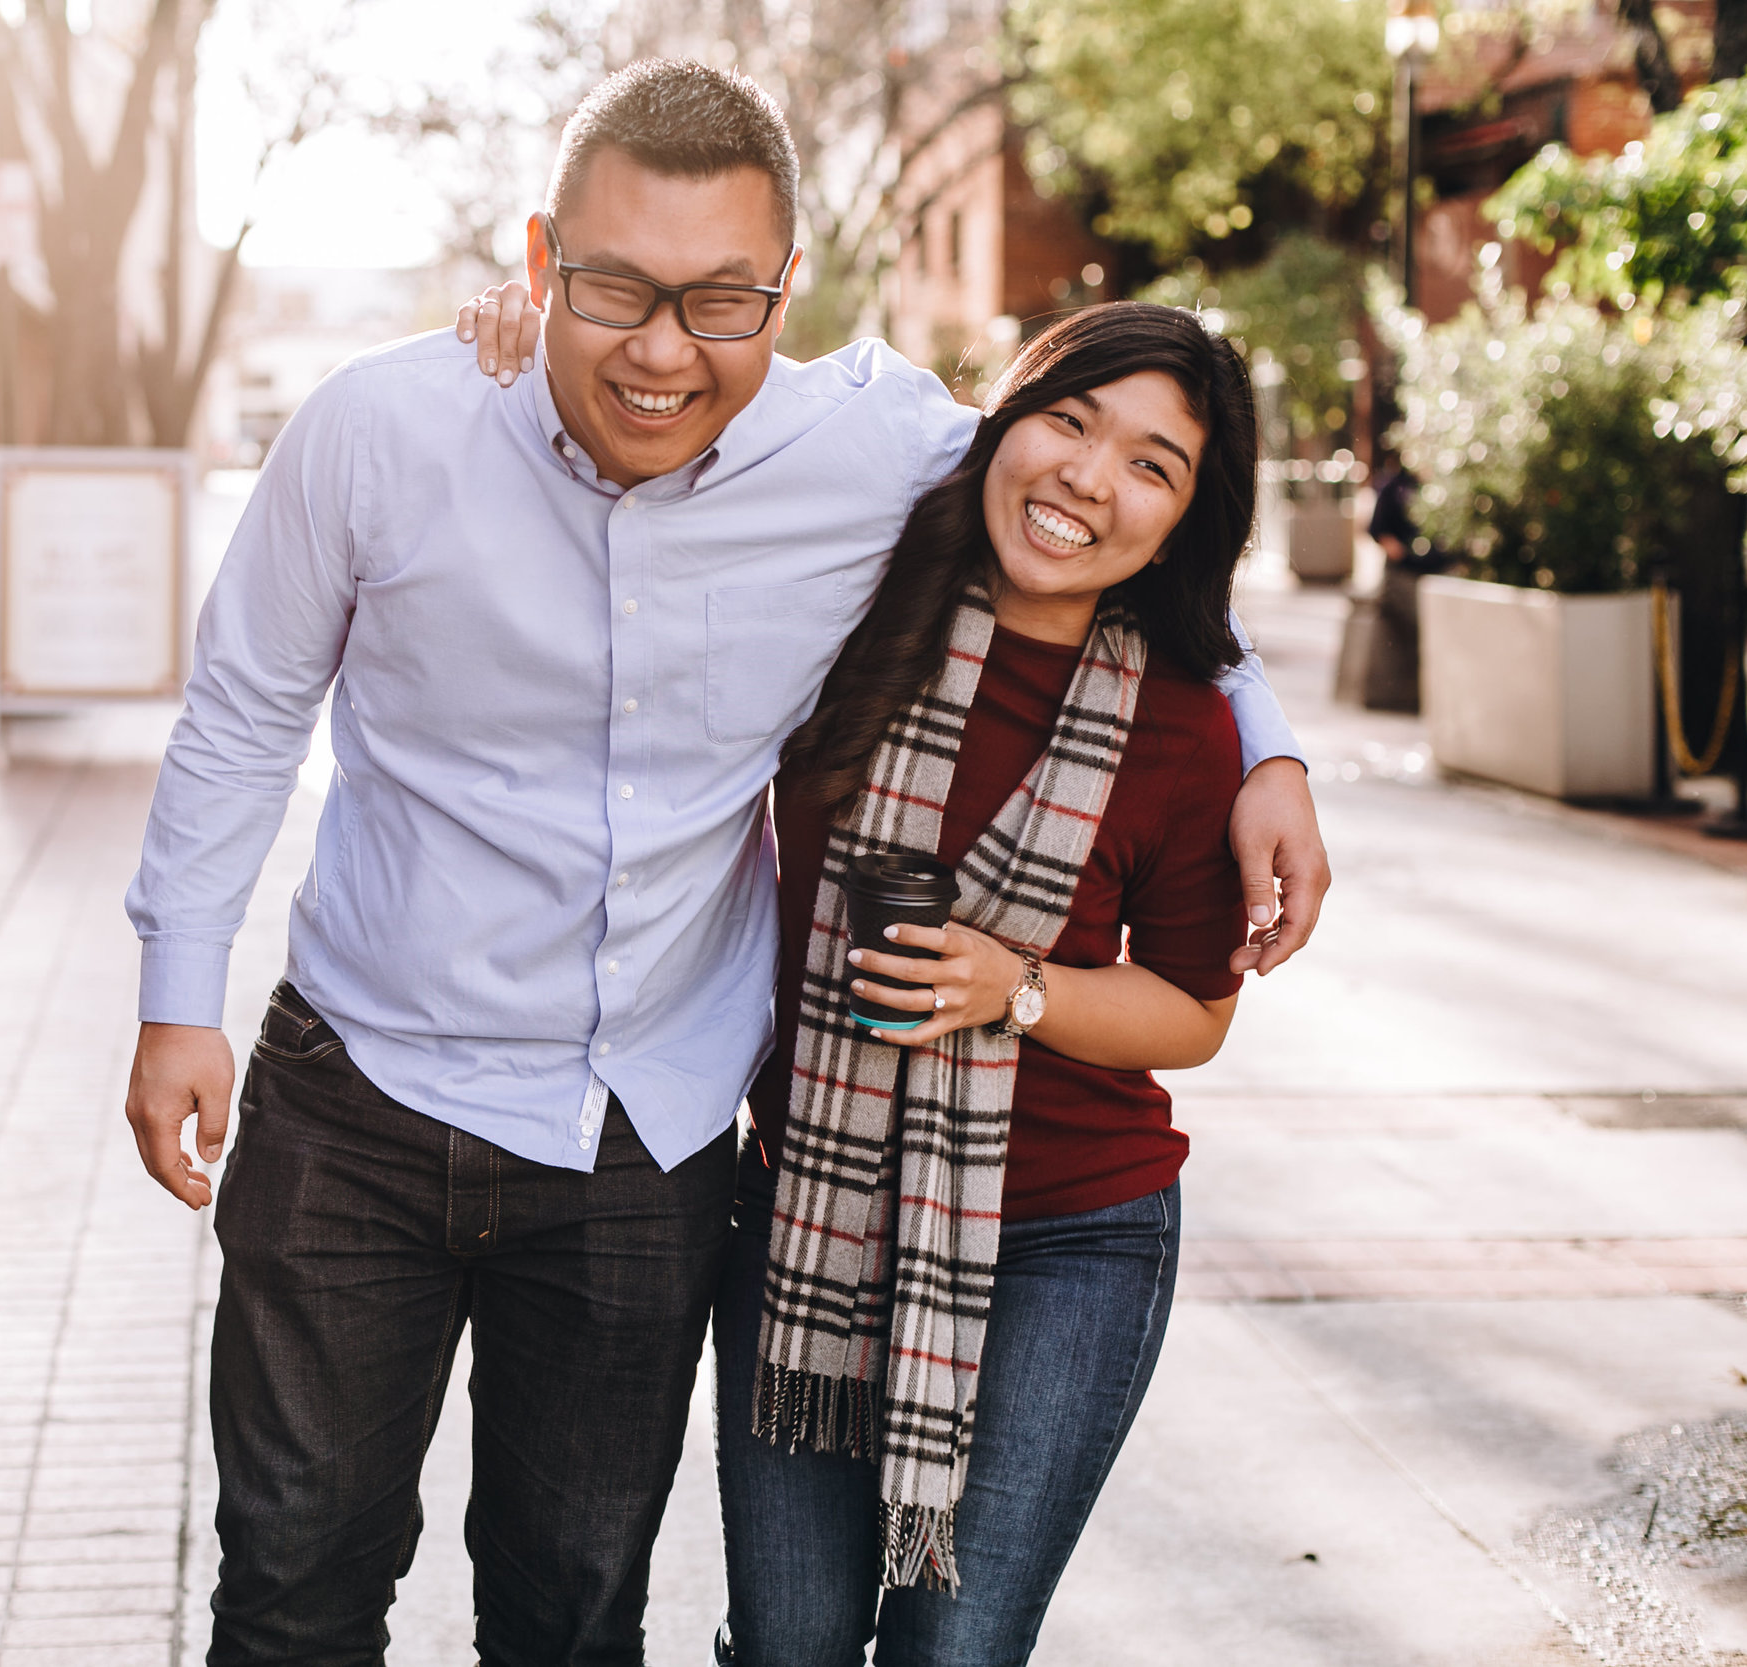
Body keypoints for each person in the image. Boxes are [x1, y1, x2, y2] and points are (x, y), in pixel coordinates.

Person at [124, 61, 1325, 1666]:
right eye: (615, 287)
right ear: (541, 259)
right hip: (361, 1103)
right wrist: (175, 997)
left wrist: (1269, 742)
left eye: (722, 300)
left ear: (789, 289)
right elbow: (240, 716)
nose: (666, 350)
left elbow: (1095, 507)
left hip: (646, 1132)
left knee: (571, 1614)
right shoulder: (383, 429)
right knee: (294, 1594)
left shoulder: (876, 447)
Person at [716, 302, 1256, 1665]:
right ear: (1001, 421)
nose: (1089, 479)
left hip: (1069, 1236)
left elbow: (1196, 1015)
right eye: (1069, 422)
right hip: (811, 1212)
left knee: (953, 1653)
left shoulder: (1188, 724)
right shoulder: (854, 604)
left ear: (1188, 519)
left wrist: (1017, 986)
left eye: (1153, 464)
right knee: (789, 1647)